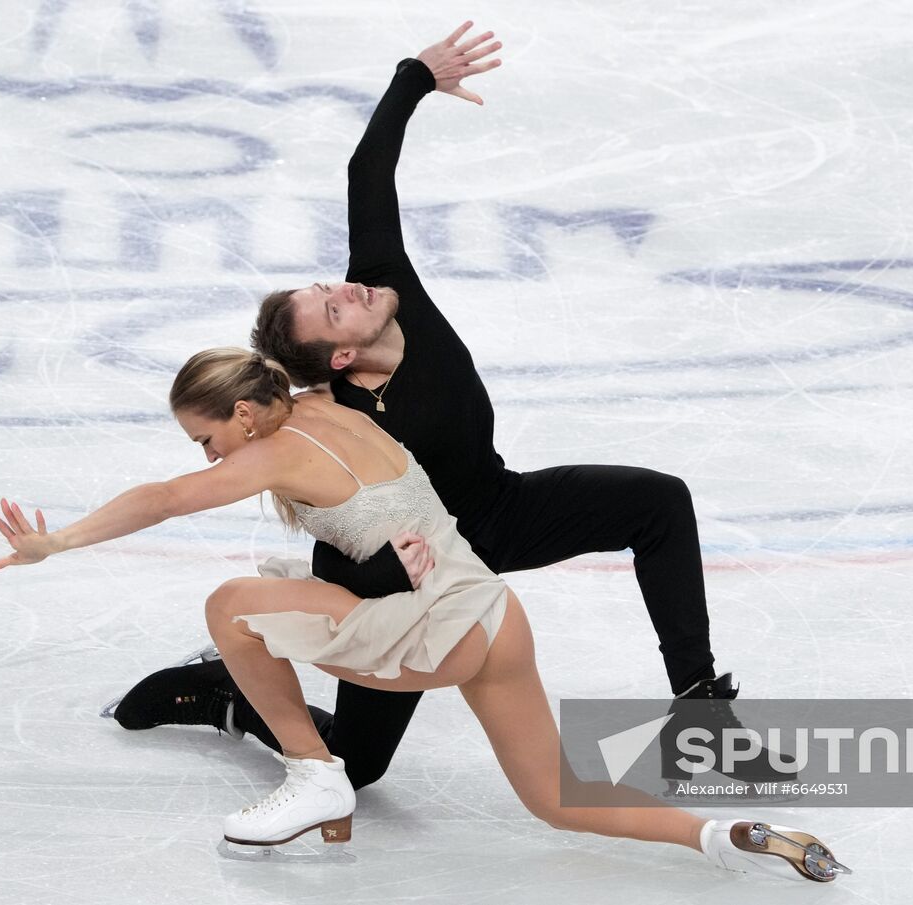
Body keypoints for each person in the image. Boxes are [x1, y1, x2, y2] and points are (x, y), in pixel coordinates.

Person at [114, 21, 792, 796]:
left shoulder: (386, 287)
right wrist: (375, 584)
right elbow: (251, 467)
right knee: (358, 768)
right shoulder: (326, 420)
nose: (347, 290)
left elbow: (365, 170)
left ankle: (700, 714)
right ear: (338, 359)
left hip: (500, 509)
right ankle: (228, 693)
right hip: (409, 568)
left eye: (328, 286)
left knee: (658, 503)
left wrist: (417, 75)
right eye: (332, 308)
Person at [0, 346, 849, 881]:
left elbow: (167, 497)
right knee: (555, 796)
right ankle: (729, 837)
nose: (207, 454)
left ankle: (315, 773)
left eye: (207, 435)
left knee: (232, 606)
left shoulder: (272, 449)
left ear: (244, 413)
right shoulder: (330, 404)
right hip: (491, 614)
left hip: (433, 633)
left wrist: (56, 544)